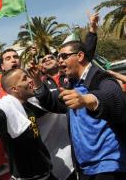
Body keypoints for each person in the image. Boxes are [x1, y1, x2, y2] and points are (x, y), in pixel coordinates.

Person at [29, 41, 126, 179]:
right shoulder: (72, 84)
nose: (60, 61)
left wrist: (87, 100)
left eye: (64, 56)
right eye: (59, 57)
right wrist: (37, 81)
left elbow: (115, 98)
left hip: (109, 165)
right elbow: (54, 103)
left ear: (80, 56)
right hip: (85, 168)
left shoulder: (100, 77)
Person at [0, 68, 55, 179]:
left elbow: (52, 106)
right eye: (25, 79)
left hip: (46, 173)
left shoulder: (29, 106)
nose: (30, 80)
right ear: (14, 89)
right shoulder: (8, 109)